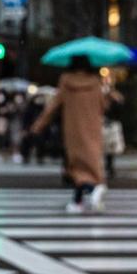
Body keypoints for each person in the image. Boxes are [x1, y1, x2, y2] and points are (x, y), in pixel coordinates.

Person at [30, 55, 108, 213]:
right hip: (93, 128)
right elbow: (103, 106)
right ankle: (86, 194)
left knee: (75, 165)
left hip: (73, 128)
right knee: (91, 162)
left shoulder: (66, 81)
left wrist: (38, 125)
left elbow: (53, 106)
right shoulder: (95, 82)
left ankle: (88, 192)